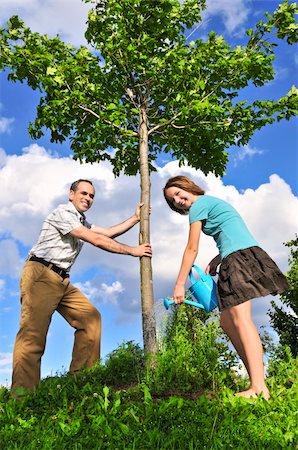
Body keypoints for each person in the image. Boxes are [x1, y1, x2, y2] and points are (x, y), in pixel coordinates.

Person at [12, 179, 152, 396]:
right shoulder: (63, 213)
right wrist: (132, 251)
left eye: (92, 196)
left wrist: (135, 219)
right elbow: (95, 239)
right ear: (71, 194)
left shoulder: (81, 221)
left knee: (91, 319)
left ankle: (82, 382)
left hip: (62, 280)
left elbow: (106, 233)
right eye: (84, 193)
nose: (88, 198)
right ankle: (22, 398)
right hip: (41, 275)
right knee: (33, 335)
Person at [163, 175, 290, 400]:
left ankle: (259, 388)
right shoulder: (212, 203)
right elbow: (235, 233)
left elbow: (191, 249)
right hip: (238, 256)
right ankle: (255, 382)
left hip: (238, 259)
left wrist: (180, 284)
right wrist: (217, 259)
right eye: (173, 201)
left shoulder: (199, 206)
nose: (178, 201)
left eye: (178, 193)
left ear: (187, 187)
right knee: (227, 321)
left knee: (241, 320)